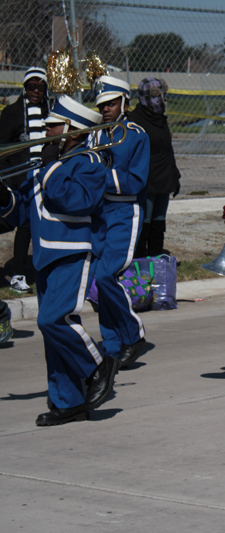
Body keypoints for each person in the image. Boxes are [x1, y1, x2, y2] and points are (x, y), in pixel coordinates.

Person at [0, 96, 120, 426]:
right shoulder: (45, 165)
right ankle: (68, 401)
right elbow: (21, 212)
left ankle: (99, 365)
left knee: (53, 320)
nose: (46, 130)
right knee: (53, 336)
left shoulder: (90, 162)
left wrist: (50, 166)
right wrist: (3, 194)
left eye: (53, 125)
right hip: (44, 255)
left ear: (72, 131)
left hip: (72, 251)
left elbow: (74, 200)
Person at [92, 76, 150, 368]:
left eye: (111, 103)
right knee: (97, 281)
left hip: (125, 211)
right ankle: (112, 344)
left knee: (106, 276)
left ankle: (133, 335)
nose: (105, 109)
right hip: (99, 212)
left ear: (125, 104)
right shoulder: (95, 135)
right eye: (102, 105)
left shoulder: (136, 135)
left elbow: (135, 181)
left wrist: (98, 176)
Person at [0, 67, 49, 294]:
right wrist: (10, 179)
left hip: (47, 177)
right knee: (25, 226)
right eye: (31, 86)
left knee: (46, 225)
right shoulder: (12, 112)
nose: (36, 91)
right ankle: (18, 274)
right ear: (24, 88)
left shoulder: (50, 111)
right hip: (23, 180)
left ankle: (44, 270)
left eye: (40, 87)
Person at [128, 78, 181, 258]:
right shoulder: (135, 120)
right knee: (145, 221)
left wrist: (174, 176)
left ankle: (156, 260)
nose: (164, 100)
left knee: (159, 222)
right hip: (147, 180)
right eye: (161, 96)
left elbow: (167, 150)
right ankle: (141, 260)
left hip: (163, 179)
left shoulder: (160, 119)